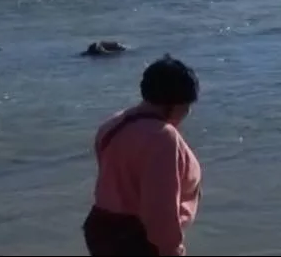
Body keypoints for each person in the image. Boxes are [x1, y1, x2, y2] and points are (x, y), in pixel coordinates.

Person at [83, 55, 202, 257]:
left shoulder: (113, 124)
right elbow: (159, 209)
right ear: (177, 102)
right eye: (188, 105)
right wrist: (172, 250)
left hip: (101, 229)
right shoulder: (163, 137)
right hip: (137, 238)